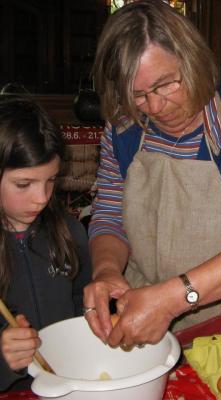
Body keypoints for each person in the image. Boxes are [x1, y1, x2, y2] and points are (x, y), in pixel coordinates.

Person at [84, 0, 221, 351]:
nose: (154, 107)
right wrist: (107, 271)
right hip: (144, 315)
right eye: (138, 94)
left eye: (166, 84)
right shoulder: (123, 128)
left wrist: (173, 298)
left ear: (193, 61)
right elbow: (111, 214)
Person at [0, 95, 92, 391]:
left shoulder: (70, 232)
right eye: (24, 184)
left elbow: (81, 301)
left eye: (51, 180)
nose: (42, 198)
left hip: (68, 382)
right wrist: (4, 360)